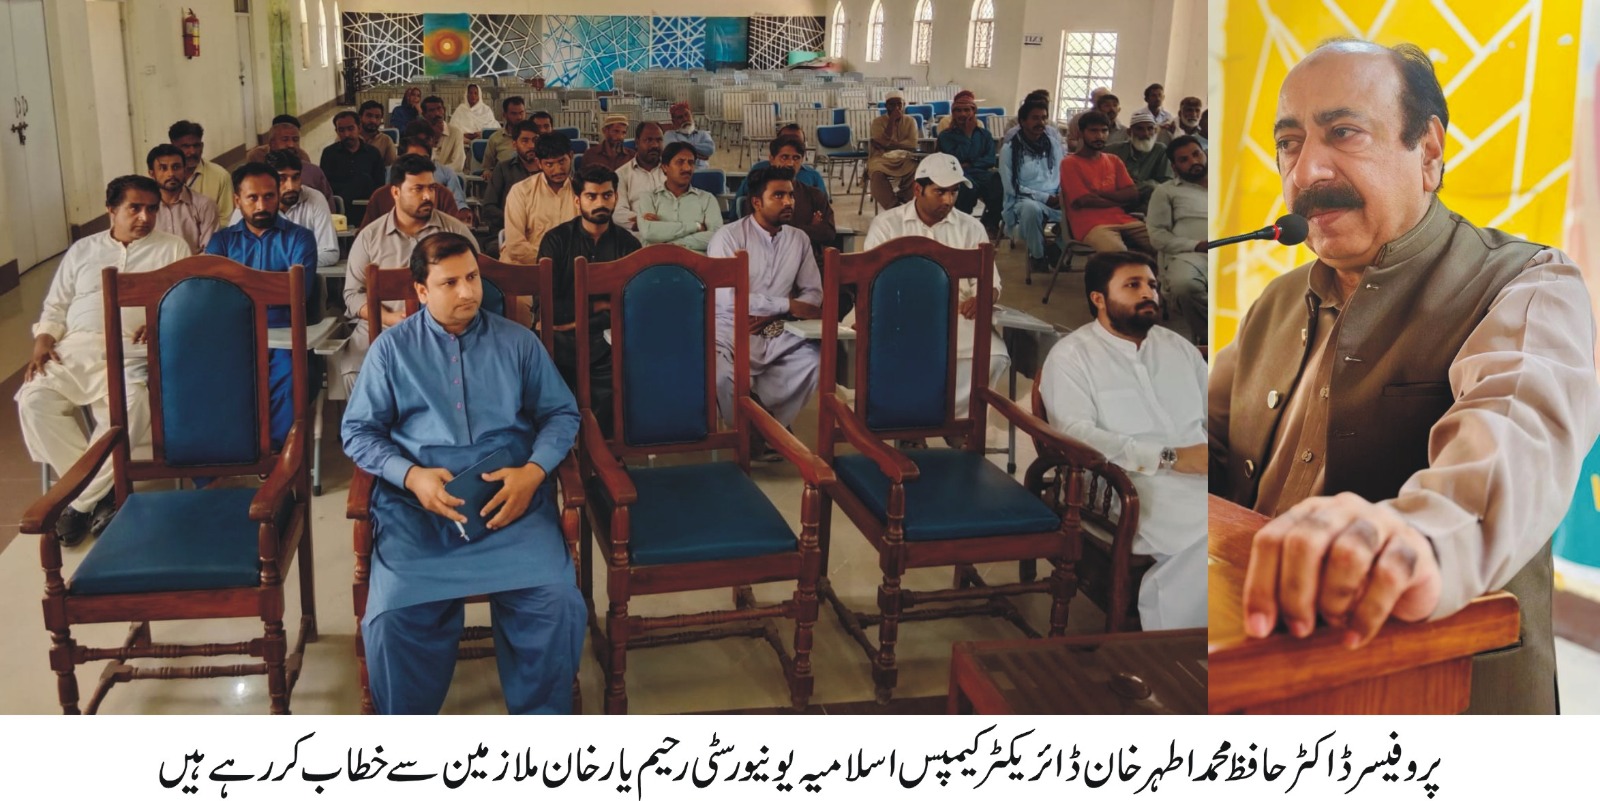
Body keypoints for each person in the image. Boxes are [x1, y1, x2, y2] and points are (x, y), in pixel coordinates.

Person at [1210, 40, 1600, 714]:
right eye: (1288, 142)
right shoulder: (1275, 303)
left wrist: (1413, 537)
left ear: (1428, 151)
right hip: (1265, 670)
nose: (1306, 170)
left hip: (1433, 695)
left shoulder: (1529, 284)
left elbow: (1515, 436)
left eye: (1343, 133)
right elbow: (1206, 446)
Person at [341, 231, 585, 715]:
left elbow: (562, 415)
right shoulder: (391, 351)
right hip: (419, 513)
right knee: (391, 621)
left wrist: (534, 473)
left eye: (472, 277)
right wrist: (411, 477)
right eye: (450, 282)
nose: (468, 292)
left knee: (556, 603)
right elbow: (359, 432)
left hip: (510, 506)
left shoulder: (518, 343)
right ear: (422, 291)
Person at [17, 176, 189, 547]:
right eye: (135, 208)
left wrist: (158, 317)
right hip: (75, 349)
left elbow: (185, 301)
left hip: (132, 353)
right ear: (111, 209)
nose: (145, 217)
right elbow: (56, 304)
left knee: (133, 405)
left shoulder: (172, 249)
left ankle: (75, 502)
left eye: (152, 209)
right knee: (33, 401)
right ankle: (98, 496)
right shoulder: (83, 250)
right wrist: (43, 340)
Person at [1040, 251, 1206, 629]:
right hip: (1122, 482)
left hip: (1203, 473)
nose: (1148, 294)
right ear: (1098, 298)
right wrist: (1170, 458)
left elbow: (1218, 415)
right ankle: (1172, 643)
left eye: (1152, 285)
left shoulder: (1177, 347)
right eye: (1133, 285)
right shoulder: (1071, 357)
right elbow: (1075, 434)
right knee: (1212, 532)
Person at [864, 154, 1008, 420]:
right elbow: (871, 283)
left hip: (957, 313)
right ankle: (910, 420)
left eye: (953, 192)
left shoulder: (971, 226)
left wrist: (983, 298)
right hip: (898, 313)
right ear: (918, 189)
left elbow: (992, 281)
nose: (948, 201)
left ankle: (951, 418)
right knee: (900, 354)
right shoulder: (887, 225)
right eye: (939, 191)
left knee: (993, 356)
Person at [336, 154, 478, 396]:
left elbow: (475, 280)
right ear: (395, 192)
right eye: (417, 189)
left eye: (431, 188)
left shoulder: (454, 231)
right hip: (383, 325)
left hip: (446, 327)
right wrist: (389, 318)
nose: (427, 196)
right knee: (355, 368)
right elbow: (352, 294)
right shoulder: (370, 237)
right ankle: (367, 430)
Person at [204, 163, 317, 450]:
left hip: (285, 333)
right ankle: (227, 454)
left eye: (269, 196)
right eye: (252, 198)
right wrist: (273, 285)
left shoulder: (299, 237)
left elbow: (299, 291)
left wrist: (239, 287)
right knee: (209, 380)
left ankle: (277, 456)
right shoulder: (221, 241)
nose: (262, 204)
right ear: (237, 201)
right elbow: (212, 296)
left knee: (289, 380)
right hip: (232, 335)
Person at [707, 166, 822, 431]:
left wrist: (787, 312)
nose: (788, 202)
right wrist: (788, 305)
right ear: (756, 202)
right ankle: (749, 432)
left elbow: (813, 292)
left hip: (776, 328)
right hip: (729, 327)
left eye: (790, 196)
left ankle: (770, 425)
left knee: (814, 361)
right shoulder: (728, 238)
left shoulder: (799, 239)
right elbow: (727, 300)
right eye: (778, 196)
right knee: (720, 375)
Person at [536, 165, 640, 438]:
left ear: (616, 197)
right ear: (577, 200)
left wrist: (577, 317)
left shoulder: (628, 245)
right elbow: (547, 307)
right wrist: (598, 307)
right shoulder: (556, 241)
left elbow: (631, 308)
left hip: (607, 342)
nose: (600, 203)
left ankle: (604, 452)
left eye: (607, 196)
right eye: (592, 196)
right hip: (558, 342)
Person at [1060, 111, 1154, 254]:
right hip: (1091, 225)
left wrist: (1100, 195)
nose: (1099, 136)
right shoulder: (1069, 163)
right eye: (1093, 131)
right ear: (1080, 133)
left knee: (1162, 244)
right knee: (1118, 252)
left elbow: (1132, 194)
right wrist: (1119, 200)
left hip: (1124, 220)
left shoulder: (1114, 160)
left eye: (1104, 131)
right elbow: (1085, 200)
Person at [1145, 135, 1208, 345]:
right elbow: (1158, 236)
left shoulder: (1228, 181)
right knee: (1184, 285)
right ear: (1174, 166)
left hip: (1235, 250)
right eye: (1184, 160)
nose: (1193, 162)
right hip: (1190, 255)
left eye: (1196, 154)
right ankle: (1213, 340)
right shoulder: (1166, 191)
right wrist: (1197, 245)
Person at [229, 151, 339, 268]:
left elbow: (330, 252)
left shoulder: (315, 199)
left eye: (295, 177)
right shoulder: (250, 204)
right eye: (282, 178)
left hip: (300, 281)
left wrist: (281, 265)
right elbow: (232, 254)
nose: (291, 186)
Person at [998, 98, 1062, 273]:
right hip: (1023, 199)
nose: (1040, 122)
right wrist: (1045, 197)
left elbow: (1063, 174)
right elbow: (1012, 186)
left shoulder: (1054, 145)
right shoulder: (1010, 150)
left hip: (1056, 198)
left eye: (1043, 118)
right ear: (1022, 122)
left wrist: (1061, 196)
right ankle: (1038, 255)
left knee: (1081, 208)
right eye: (1035, 118)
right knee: (1031, 210)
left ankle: (1057, 249)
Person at [501, 132, 577, 264]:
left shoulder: (583, 192)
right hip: (526, 265)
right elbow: (515, 246)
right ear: (538, 163)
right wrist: (552, 260)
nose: (558, 170)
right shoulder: (520, 191)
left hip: (570, 268)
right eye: (549, 164)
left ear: (571, 156)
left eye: (562, 161)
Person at [361, 136, 467, 229]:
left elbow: (456, 237)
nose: (419, 164)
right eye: (413, 159)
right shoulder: (380, 196)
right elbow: (366, 236)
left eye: (424, 159)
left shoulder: (443, 194)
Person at [761, 137, 835, 267]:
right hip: (771, 263)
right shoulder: (760, 195)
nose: (790, 163)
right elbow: (763, 234)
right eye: (784, 157)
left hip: (812, 263)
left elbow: (828, 233)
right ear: (772, 159)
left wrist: (789, 229)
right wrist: (811, 227)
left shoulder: (815, 195)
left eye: (796, 158)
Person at [637, 141, 722, 253]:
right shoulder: (648, 198)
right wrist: (695, 226)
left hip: (696, 266)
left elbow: (717, 237)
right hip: (656, 265)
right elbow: (649, 232)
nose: (687, 168)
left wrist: (672, 242)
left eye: (691, 162)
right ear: (665, 167)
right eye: (680, 162)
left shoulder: (707, 199)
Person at [937, 91, 1002, 236]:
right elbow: (954, 159)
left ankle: (990, 223)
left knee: (998, 181)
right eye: (958, 110)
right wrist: (967, 134)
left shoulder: (984, 135)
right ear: (953, 113)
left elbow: (990, 159)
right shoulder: (946, 136)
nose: (963, 114)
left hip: (980, 173)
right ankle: (961, 226)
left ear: (974, 112)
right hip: (958, 174)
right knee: (966, 188)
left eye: (967, 110)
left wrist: (970, 164)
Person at [735, 124, 829, 208]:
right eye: (784, 157)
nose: (790, 163)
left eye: (797, 142)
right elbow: (741, 202)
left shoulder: (813, 176)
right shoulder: (759, 171)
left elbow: (823, 210)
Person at [147, 144, 218, 254]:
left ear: (184, 170)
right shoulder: (144, 209)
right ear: (152, 174)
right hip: (155, 269)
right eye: (163, 168)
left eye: (176, 167)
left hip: (194, 269)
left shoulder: (204, 205)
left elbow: (209, 253)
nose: (171, 174)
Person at [249, 121, 335, 206]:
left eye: (295, 140)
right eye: (285, 139)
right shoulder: (259, 171)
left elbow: (328, 203)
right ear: (272, 143)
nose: (291, 145)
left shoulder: (312, 171)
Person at [1106, 110, 1172, 215]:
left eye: (1150, 129)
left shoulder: (1161, 150)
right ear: (1129, 132)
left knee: (1153, 188)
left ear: (1155, 131)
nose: (1145, 134)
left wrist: (1140, 187)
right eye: (1139, 129)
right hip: (1118, 198)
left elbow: (1165, 182)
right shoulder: (1112, 150)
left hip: (1146, 200)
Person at [322, 110, 387, 216]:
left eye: (350, 129)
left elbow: (379, 185)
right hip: (339, 210)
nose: (346, 134)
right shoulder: (329, 154)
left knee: (364, 179)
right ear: (336, 131)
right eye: (341, 130)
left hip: (368, 209)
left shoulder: (373, 153)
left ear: (359, 128)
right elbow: (326, 186)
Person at [482, 120, 542, 234]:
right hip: (509, 231)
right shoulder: (503, 168)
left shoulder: (548, 170)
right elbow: (489, 208)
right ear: (514, 145)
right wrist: (518, 222)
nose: (532, 146)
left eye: (535, 140)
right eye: (525, 141)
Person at [169, 120, 234, 218]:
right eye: (185, 146)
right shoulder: (162, 178)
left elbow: (226, 218)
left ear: (202, 146)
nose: (192, 152)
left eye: (196, 146)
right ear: (173, 147)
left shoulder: (220, 176)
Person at [867, 92, 920, 210]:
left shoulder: (910, 121)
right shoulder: (878, 122)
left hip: (905, 157)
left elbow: (912, 145)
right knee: (876, 173)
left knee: (917, 170)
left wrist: (889, 145)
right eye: (892, 104)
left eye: (899, 104)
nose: (896, 108)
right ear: (886, 106)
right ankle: (893, 206)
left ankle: (905, 201)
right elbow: (882, 143)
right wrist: (891, 121)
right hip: (881, 158)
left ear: (904, 105)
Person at [614, 121, 666, 231]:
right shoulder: (621, 174)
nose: (655, 145)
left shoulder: (672, 170)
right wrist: (642, 221)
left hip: (674, 233)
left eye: (659, 140)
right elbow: (618, 213)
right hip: (639, 235)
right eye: (649, 140)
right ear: (637, 142)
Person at [480, 96, 527, 177]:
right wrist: (487, 172)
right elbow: (487, 167)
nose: (519, 117)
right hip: (504, 180)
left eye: (521, 113)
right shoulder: (495, 138)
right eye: (514, 114)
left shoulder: (534, 137)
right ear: (504, 115)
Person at [424, 95, 467, 173]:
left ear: (444, 110)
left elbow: (458, 164)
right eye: (431, 110)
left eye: (439, 109)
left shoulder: (456, 133)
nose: (437, 113)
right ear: (424, 115)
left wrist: (438, 173)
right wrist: (435, 139)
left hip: (448, 178)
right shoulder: (420, 133)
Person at [663, 102, 715, 168]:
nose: (685, 119)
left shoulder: (703, 134)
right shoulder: (669, 134)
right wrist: (699, 154)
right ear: (674, 122)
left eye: (687, 115)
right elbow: (673, 151)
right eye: (680, 117)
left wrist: (683, 149)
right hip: (680, 174)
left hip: (702, 173)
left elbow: (710, 149)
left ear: (692, 116)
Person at [358, 100, 398, 166]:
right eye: (369, 116)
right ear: (360, 117)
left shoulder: (386, 141)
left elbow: (390, 168)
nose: (373, 120)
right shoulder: (349, 137)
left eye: (377, 117)